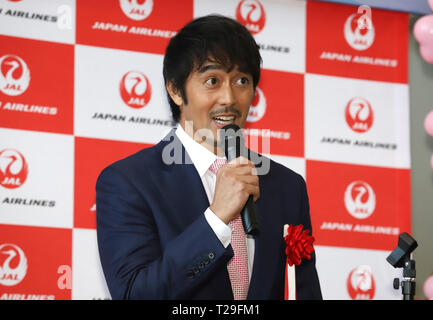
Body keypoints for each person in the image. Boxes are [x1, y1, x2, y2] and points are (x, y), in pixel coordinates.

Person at [96, 14, 322, 300]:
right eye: (212, 80)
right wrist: (216, 219)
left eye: (242, 80)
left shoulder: (287, 186)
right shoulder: (128, 182)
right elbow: (134, 294)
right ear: (176, 90)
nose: (229, 98)